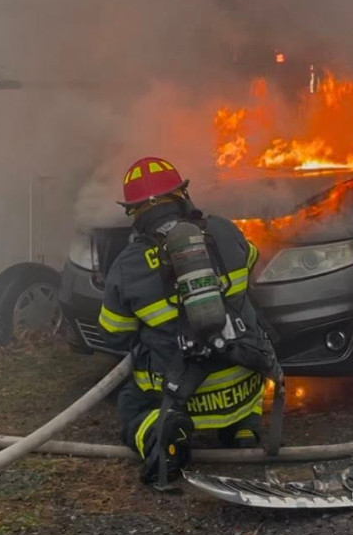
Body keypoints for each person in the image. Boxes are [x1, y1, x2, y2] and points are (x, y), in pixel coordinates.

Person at [98, 156, 280, 483]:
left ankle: (160, 431)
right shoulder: (225, 229)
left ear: (135, 212)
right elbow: (251, 260)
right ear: (182, 196)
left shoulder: (128, 264)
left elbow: (113, 333)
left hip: (181, 396)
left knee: (129, 400)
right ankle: (244, 428)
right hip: (245, 380)